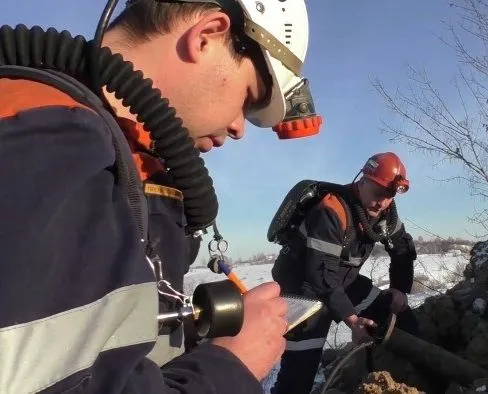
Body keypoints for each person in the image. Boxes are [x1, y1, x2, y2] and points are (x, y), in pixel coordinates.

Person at [0, 0, 321, 392]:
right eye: (249, 98)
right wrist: (230, 366)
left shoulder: (132, 162)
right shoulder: (46, 140)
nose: (239, 128)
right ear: (207, 36)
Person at [269, 152, 420, 394]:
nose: (382, 202)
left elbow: (403, 247)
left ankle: (409, 377)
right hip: (304, 291)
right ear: (362, 182)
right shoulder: (332, 209)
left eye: (389, 196)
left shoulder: (385, 213)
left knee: (401, 318)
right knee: (298, 377)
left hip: (344, 281)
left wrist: (400, 289)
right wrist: (351, 319)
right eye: (378, 192)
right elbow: (320, 273)